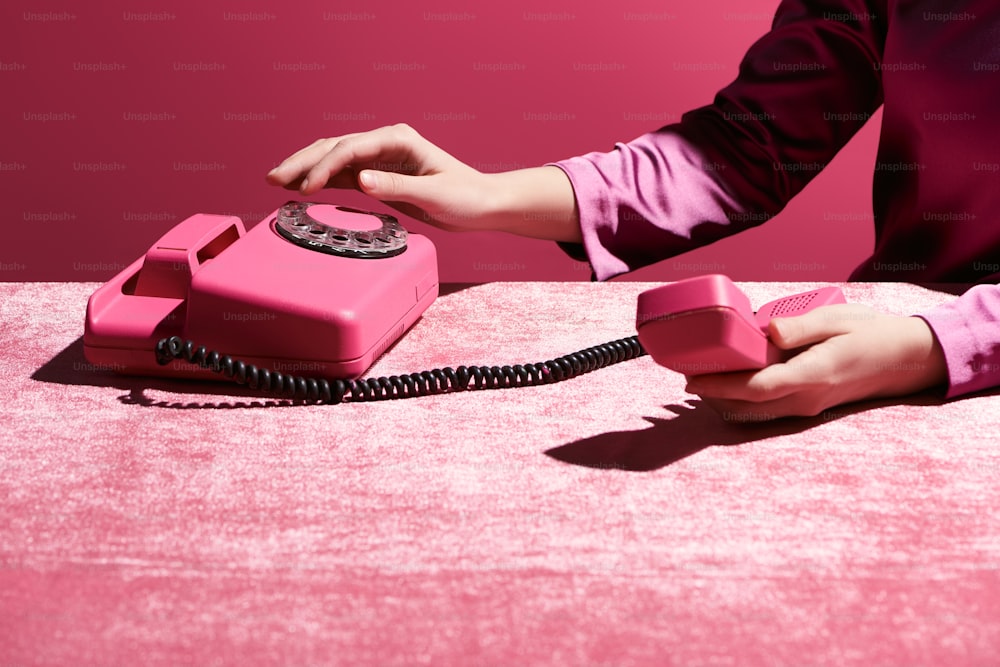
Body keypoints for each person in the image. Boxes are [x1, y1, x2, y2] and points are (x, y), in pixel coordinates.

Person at [265, 0, 1000, 421]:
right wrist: (491, 194)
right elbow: (747, 149)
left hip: (912, 373)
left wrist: (936, 345)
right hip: (871, 361)